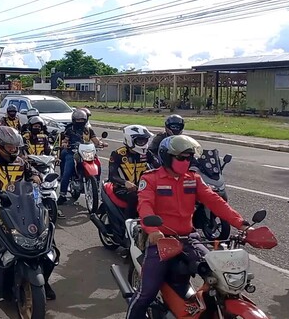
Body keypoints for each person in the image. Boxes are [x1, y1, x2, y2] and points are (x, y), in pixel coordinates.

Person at [126, 135, 249, 319]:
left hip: (189, 238)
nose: (186, 162)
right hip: (161, 241)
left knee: (218, 273)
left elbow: (215, 201)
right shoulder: (152, 179)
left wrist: (242, 224)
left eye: (189, 158)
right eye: (181, 157)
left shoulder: (193, 178)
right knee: (147, 293)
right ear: (167, 157)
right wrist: (153, 231)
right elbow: (145, 205)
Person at [0, 127, 56, 307]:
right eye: (10, 147)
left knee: (46, 245)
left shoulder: (21, 162)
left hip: (20, 208)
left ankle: (43, 279)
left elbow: (32, 174)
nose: (14, 151)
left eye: (16, 147)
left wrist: (37, 178)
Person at [108, 125, 157, 219]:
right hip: (121, 188)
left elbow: (158, 166)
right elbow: (112, 176)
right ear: (129, 140)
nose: (143, 143)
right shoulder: (117, 154)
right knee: (133, 196)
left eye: (145, 140)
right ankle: (129, 223)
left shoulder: (147, 153)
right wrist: (125, 183)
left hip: (143, 187)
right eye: (140, 141)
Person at [59, 109, 106, 205]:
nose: (80, 122)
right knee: (67, 171)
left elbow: (95, 141)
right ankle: (62, 194)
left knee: (98, 164)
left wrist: (101, 144)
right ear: (74, 120)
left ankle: (96, 186)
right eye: (78, 120)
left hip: (87, 152)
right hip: (72, 152)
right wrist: (64, 144)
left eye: (82, 120)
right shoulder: (70, 129)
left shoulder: (88, 129)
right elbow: (65, 140)